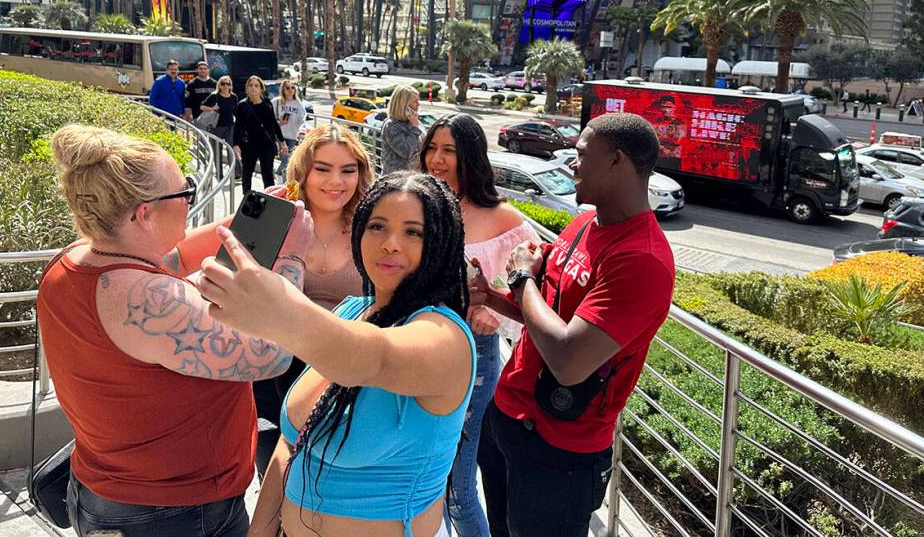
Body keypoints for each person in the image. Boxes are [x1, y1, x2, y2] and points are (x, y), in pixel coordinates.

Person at [36, 125, 313, 537]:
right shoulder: (147, 298)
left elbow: (171, 256)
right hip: (176, 513)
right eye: (183, 193)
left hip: (112, 496)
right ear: (144, 213)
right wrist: (292, 256)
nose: (189, 200)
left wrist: (248, 220)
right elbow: (271, 355)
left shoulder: (76, 261)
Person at [199, 172, 476, 537]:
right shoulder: (349, 311)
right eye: (377, 226)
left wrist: (279, 311)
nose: (390, 243)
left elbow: (370, 358)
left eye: (414, 232)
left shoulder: (446, 338)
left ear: (443, 243)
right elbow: (290, 446)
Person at [470, 113, 676, 537]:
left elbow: (567, 360)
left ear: (617, 161)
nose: (572, 166)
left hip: (559, 452)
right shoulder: (585, 223)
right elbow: (544, 315)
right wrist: (488, 296)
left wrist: (521, 277)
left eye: (582, 155)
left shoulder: (642, 260)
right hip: (508, 415)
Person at [417, 114, 538, 537]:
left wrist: (495, 310)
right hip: (417, 350)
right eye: (432, 148)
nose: (437, 159)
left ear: (469, 156)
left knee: (457, 486)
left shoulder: (502, 217)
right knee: (426, 480)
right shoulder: (418, 203)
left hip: (475, 358)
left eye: (448, 150)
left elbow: (533, 285)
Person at [252, 124, 375, 477]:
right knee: (275, 479)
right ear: (302, 172)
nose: (336, 181)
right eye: (323, 169)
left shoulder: (372, 228)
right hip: (272, 376)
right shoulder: (275, 219)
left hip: (344, 379)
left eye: (348, 170)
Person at [233, 75, 289, 195]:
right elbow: (238, 126)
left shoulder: (267, 103)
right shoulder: (242, 105)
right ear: (247, 88)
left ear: (261, 89)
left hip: (266, 144)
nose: (253, 88)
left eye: (256, 85)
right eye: (250, 85)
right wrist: (235, 144)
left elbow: (274, 123)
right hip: (248, 145)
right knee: (247, 174)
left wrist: (282, 142)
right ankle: (246, 201)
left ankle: (270, 200)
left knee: (268, 174)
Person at [381, 84, 423, 174]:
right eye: (415, 102)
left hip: (413, 176)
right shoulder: (391, 126)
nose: (418, 104)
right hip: (395, 180)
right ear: (404, 105)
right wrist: (415, 128)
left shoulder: (412, 120)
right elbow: (406, 151)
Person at [271, 80, 306, 184]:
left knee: (288, 160)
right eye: (288, 88)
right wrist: (279, 122)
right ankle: (283, 182)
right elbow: (269, 118)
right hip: (279, 134)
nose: (290, 90)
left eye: (293, 87)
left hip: (292, 135)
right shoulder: (276, 102)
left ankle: (279, 176)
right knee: (286, 159)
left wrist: (301, 129)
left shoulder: (298, 104)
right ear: (283, 90)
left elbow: (303, 119)